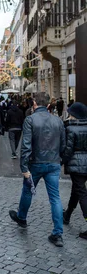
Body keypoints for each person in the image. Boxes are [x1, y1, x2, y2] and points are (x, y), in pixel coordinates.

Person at [9, 92, 66, 247]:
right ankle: (58, 233)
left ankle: (22, 218)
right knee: (55, 198)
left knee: (27, 191)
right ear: (48, 105)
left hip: (36, 163)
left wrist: (24, 167)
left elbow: (26, 146)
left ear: (34, 103)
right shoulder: (57, 121)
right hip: (53, 163)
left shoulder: (30, 120)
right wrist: (59, 160)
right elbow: (63, 145)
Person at [62, 102, 87, 239]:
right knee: (76, 191)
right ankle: (67, 215)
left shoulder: (71, 129)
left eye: (71, 113)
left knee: (82, 194)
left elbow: (68, 150)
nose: (69, 115)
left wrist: (62, 161)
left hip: (77, 166)